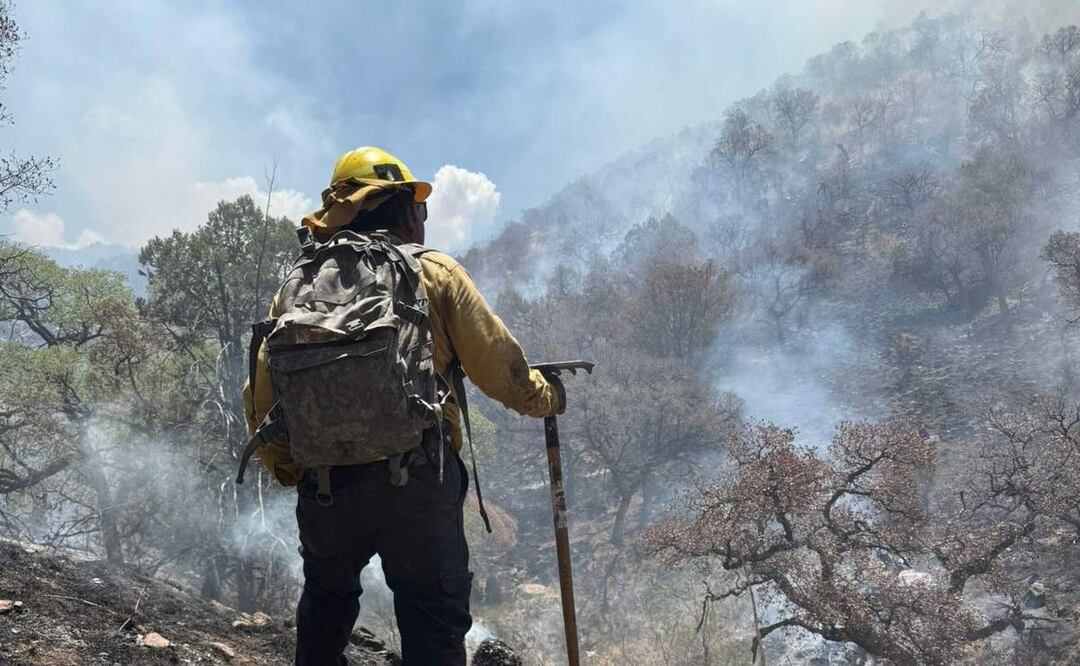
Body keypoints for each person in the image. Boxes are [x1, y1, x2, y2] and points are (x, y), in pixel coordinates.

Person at [242, 146, 563, 665]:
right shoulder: (434, 273)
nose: (423, 217)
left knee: (325, 606)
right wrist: (547, 398)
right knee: (432, 619)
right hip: (416, 484)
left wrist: (291, 469)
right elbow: (500, 371)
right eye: (419, 206)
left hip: (326, 491)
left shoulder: (297, 285)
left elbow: (262, 396)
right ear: (401, 208)